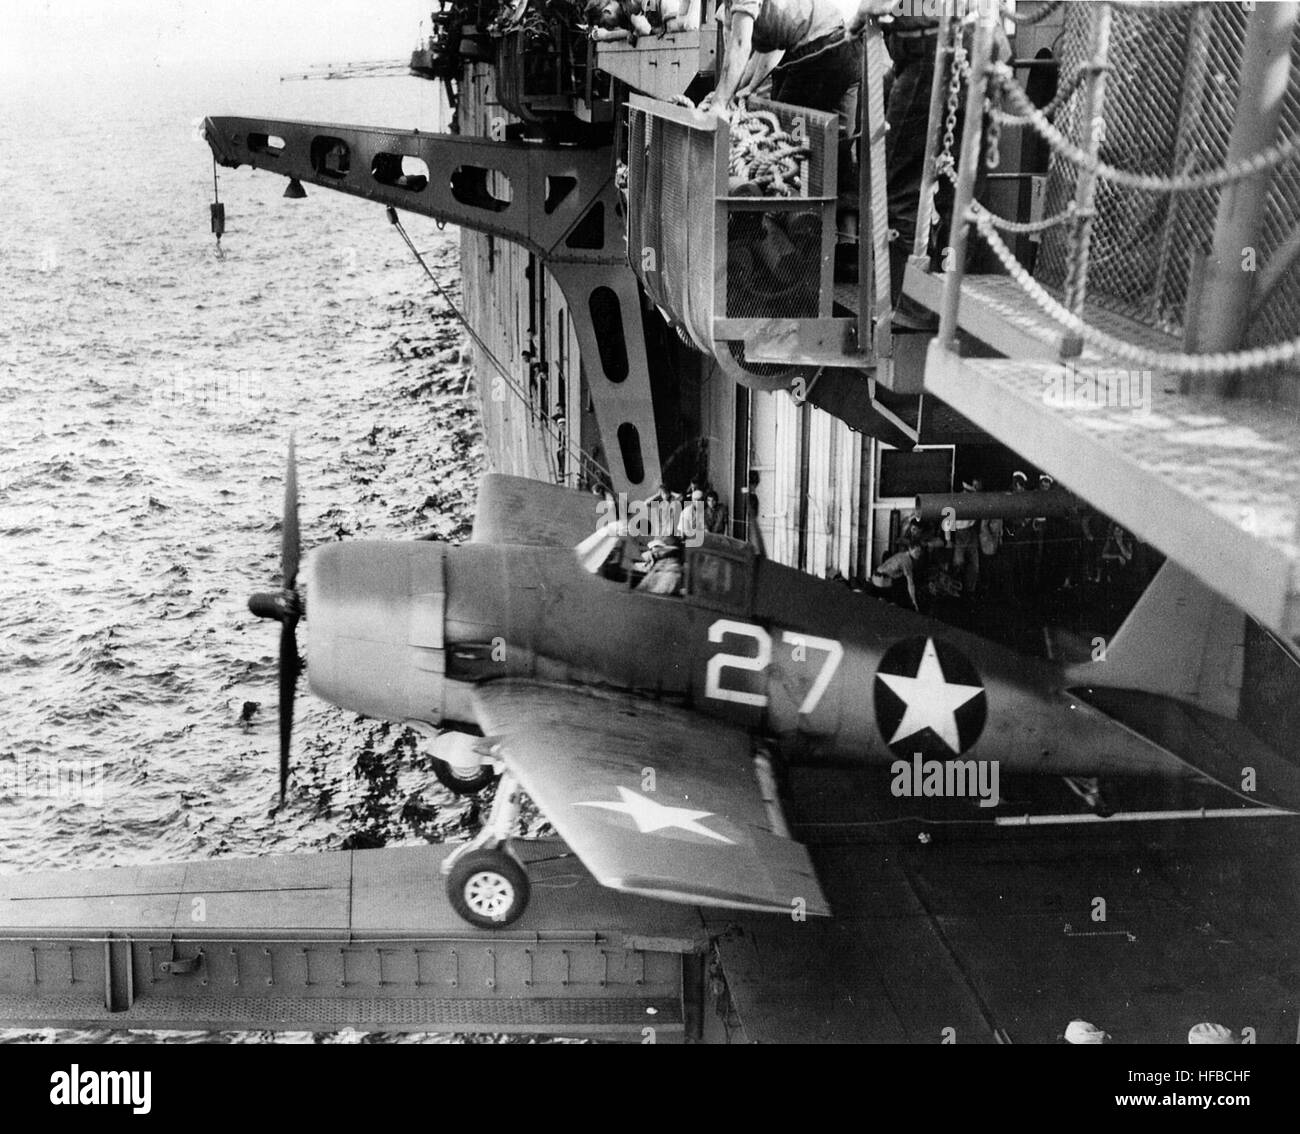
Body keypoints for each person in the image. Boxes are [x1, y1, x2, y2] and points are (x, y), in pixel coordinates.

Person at [707, 0, 863, 255]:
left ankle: (784, 240)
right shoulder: (738, 9)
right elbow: (753, 53)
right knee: (839, 146)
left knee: (783, 139)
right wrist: (729, 94)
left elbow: (741, 46)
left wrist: (720, 102)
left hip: (822, 49)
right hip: (844, 45)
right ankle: (847, 244)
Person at [868, 540, 923, 610]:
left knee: (902, 577)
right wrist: (914, 601)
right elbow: (910, 583)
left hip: (875, 578)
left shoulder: (901, 554)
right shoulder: (907, 561)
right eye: (916, 552)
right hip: (883, 581)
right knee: (906, 582)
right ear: (910, 549)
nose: (918, 554)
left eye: (920, 552)